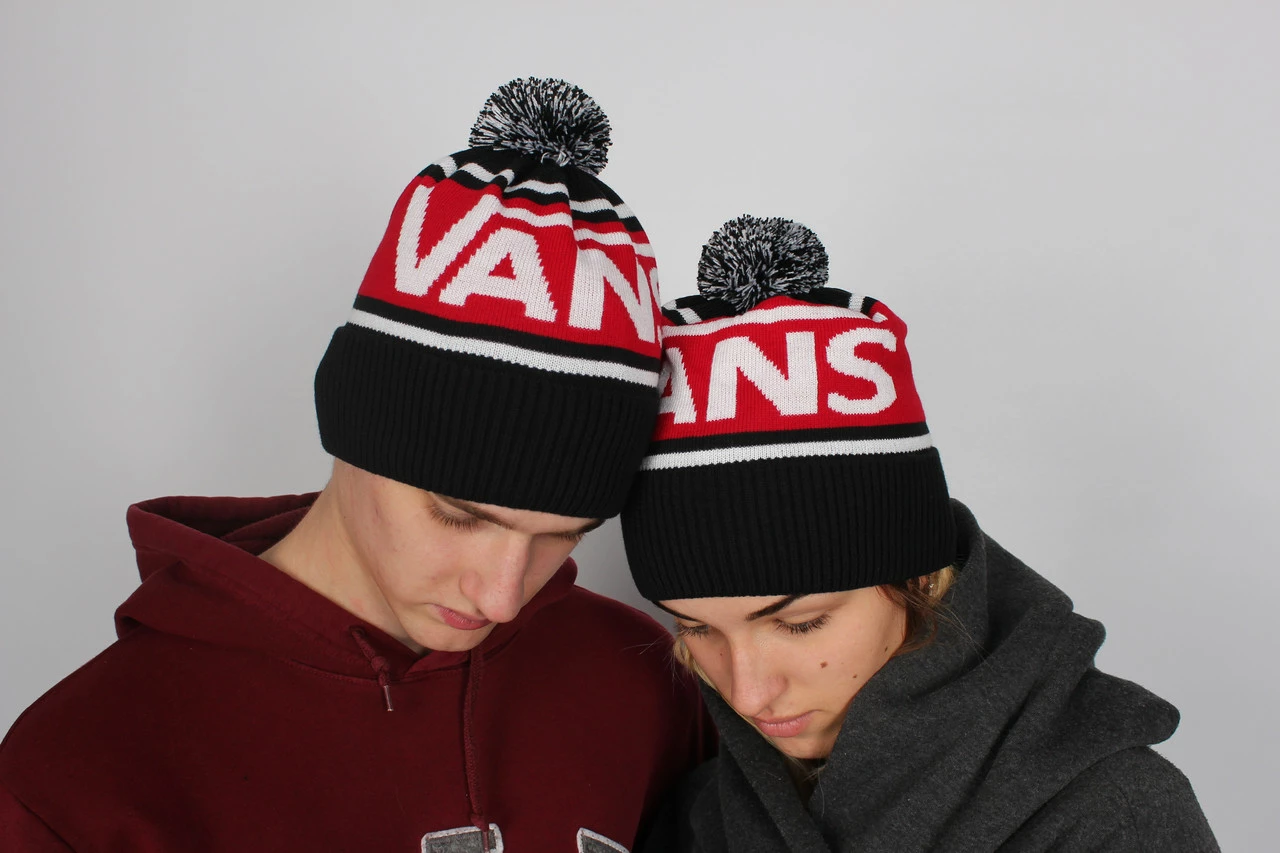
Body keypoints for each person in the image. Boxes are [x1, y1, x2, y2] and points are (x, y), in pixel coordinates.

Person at [0, 78, 710, 852]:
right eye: (460, 514)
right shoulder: (79, 769)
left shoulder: (644, 684)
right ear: (352, 428)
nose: (503, 595)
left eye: (564, 534)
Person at [620, 215, 1219, 852]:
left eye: (800, 623)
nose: (748, 693)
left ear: (923, 579)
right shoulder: (698, 817)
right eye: (697, 629)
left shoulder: (1111, 817)